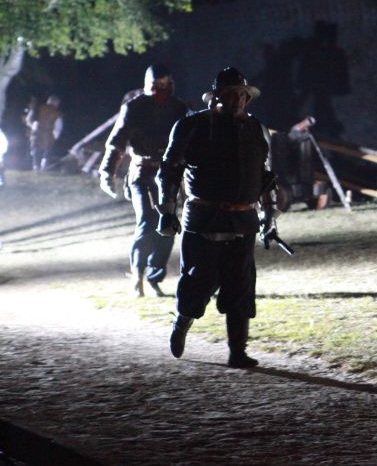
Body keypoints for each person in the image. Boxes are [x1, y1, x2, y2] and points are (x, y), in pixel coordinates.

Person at [156, 67, 279, 368]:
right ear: (216, 97)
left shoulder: (255, 129)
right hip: (203, 217)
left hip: (243, 220)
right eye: (231, 94)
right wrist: (167, 210)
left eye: (242, 94)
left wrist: (270, 214)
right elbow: (170, 170)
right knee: (199, 280)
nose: (238, 99)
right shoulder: (192, 126)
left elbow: (264, 175)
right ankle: (182, 321)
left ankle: (237, 351)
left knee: (240, 285)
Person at [98, 64, 189, 298]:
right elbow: (117, 142)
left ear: (169, 84)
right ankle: (137, 275)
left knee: (168, 226)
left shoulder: (179, 109)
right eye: (155, 85)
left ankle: (153, 276)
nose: (159, 90)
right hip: (141, 173)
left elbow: (192, 141)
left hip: (169, 175)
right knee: (148, 222)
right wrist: (107, 172)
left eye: (163, 85)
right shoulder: (134, 107)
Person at [25, 95, 63, 171]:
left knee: (35, 150)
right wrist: (55, 136)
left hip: (36, 132)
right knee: (47, 152)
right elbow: (59, 126)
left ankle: (35, 167)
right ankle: (43, 168)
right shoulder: (57, 113)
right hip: (49, 134)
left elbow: (29, 119)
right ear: (55, 102)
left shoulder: (38, 108)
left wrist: (33, 126)